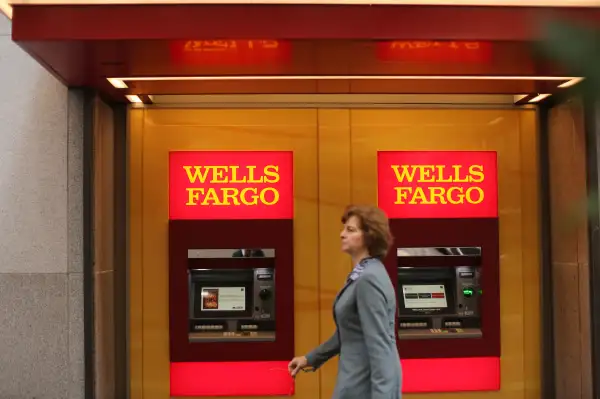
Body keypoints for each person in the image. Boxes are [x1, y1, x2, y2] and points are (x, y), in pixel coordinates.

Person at [288, 205, 402, 399]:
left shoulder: (368, 279)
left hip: (363, 385)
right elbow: (349, 331)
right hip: (356, 382)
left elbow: (380, 346)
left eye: (351, 230)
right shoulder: (365, 273)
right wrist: (310, 359)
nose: (342, 234)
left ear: (369, 236)